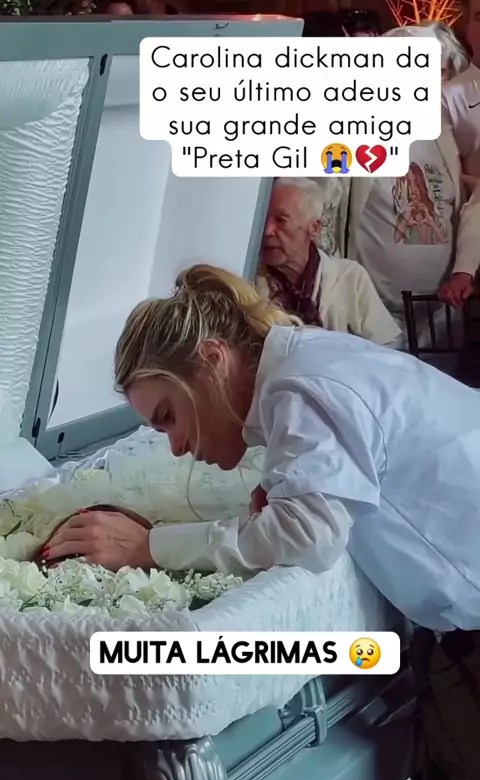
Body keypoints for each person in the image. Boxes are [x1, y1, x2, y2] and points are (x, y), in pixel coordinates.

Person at [42, 262, 480, 633]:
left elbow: (307, 536)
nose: (175, 447)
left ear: (213, 360)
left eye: (169, 416)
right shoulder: (301, 358)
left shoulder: (296, 387)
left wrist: (149, 546)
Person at [345, 24, 480, 324]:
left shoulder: (442, 134)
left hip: (440, 318)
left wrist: (464, 270)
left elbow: (468, 204)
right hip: (372, 317)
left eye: (439, 71)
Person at [257, 178, 401, 346]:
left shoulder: (350, 278)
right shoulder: (249, 280)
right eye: (264, 219)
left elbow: (389, 345)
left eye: (281, 220)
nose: (267, 231)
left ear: (314, 228)